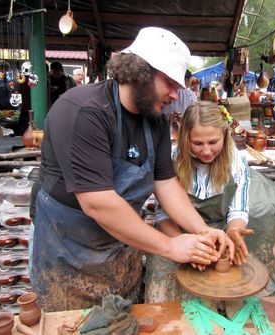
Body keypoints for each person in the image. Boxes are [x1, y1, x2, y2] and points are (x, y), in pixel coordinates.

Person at [31, 27, 233, 312]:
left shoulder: (156, 120)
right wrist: (170, 246)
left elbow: (165, 183)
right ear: (142, 72)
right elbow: (98, 203)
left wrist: (202, 231)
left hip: (121, 243)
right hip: (68, 251)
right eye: (171, 84)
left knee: (125, 320)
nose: (176, 95)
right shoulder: (85, 111)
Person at [144, 101, 275, 303]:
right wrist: (185, 248)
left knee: (248, 270)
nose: (207, 151)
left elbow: (237, 210)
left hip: (221, 228)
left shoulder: (235, 160)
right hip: (181, 231)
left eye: (213, 142)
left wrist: (234, 231)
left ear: (225, 135)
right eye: (197, 143)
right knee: (163, 275)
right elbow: (164, 214)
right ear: (185, 139)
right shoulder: (171, 161)